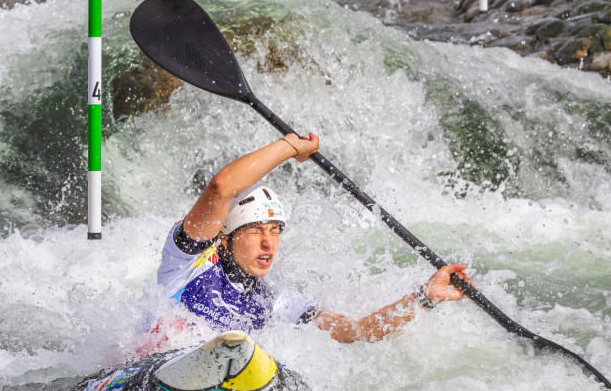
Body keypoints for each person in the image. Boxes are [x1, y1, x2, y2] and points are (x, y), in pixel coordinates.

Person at [157, 132, 473, 343]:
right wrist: (291, 148)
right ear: (224, 238)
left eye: (274, 230)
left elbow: (354, 331)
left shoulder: (276, 300)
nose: (269, 243)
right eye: (255, 230)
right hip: (156, 364)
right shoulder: (188, 259)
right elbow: (221, 187)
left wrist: (425, 297)